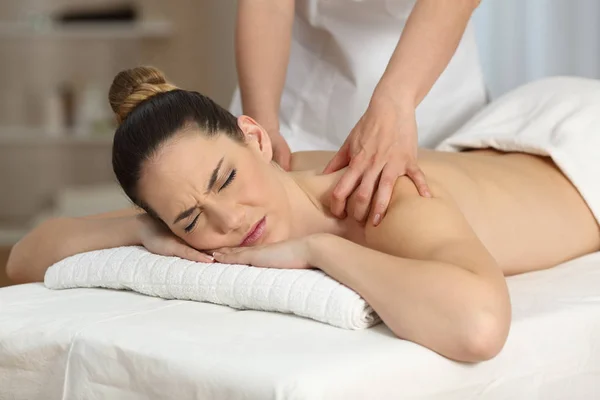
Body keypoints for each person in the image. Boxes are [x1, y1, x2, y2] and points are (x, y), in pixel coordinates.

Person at [7, 67, 600, 364]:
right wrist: (143, 229)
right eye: (190, 218)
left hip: (580, 147)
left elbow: (478, 327)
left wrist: (320, 252)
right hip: (491, 143)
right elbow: (23, 259)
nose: (228, 222)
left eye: (226, 180)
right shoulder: (194, 200)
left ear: (255, 137)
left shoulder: (371, 196)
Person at [231, 0, 488, 226]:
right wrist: (264, 126)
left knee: (421, 218)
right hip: (298, 88)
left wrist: (396, 103)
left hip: (427, 75)